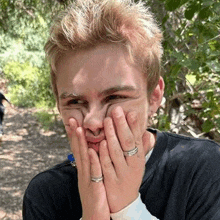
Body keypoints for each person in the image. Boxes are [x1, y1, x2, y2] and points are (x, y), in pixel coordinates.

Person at [22, 0, 220, 219]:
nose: (93, 122)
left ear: (153, 97)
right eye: (75, 102)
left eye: (115, 97)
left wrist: (127, 209)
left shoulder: (203, 168)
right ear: (59, 105)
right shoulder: (45, 195)